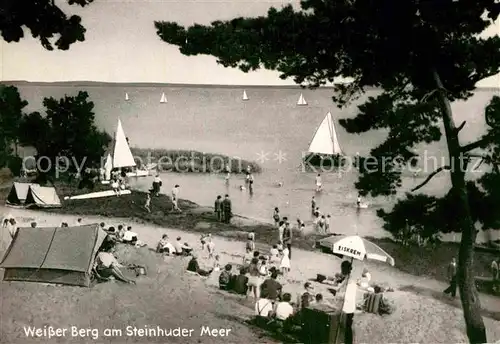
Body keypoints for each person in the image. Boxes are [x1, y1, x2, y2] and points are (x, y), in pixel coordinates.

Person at [335, 260, 356, 344]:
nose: (341, 271)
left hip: (348, 309)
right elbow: (341, 288)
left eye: (342, 269)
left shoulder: (351, 282)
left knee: (347, 329)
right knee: (343, 327)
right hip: (343, 307)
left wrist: (338, 294)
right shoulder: (346, 279)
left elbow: (348, 296)